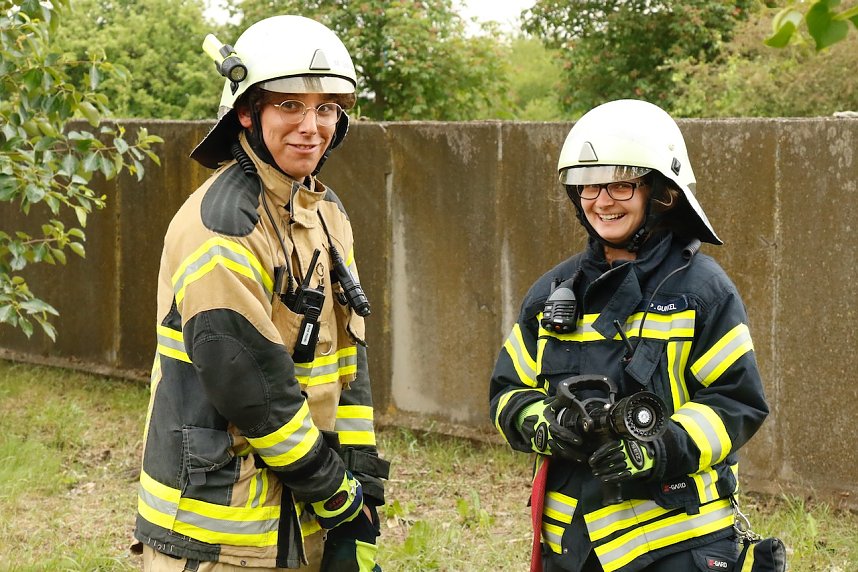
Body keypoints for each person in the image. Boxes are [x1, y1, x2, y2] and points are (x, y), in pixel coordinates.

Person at [133, 15, 389, 571]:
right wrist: (337, 492)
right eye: (290, 106)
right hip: (218, 531)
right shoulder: (222, 230)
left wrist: (363, 472)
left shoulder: (325, 213)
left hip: (303, 510)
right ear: (247, 112)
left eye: (326, 108)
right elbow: (254, 392)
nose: (311, 126)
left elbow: (349, 356)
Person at [489, 99, 769, 572]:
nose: (602, 201)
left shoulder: (700, 291)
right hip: (571, 547)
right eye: (588, 187)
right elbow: (506, 393)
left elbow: (736, 402)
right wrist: (545, 424)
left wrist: (657, 447)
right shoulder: (552, 292)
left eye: (621, 184)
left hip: (678, 542)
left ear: (661, 193)